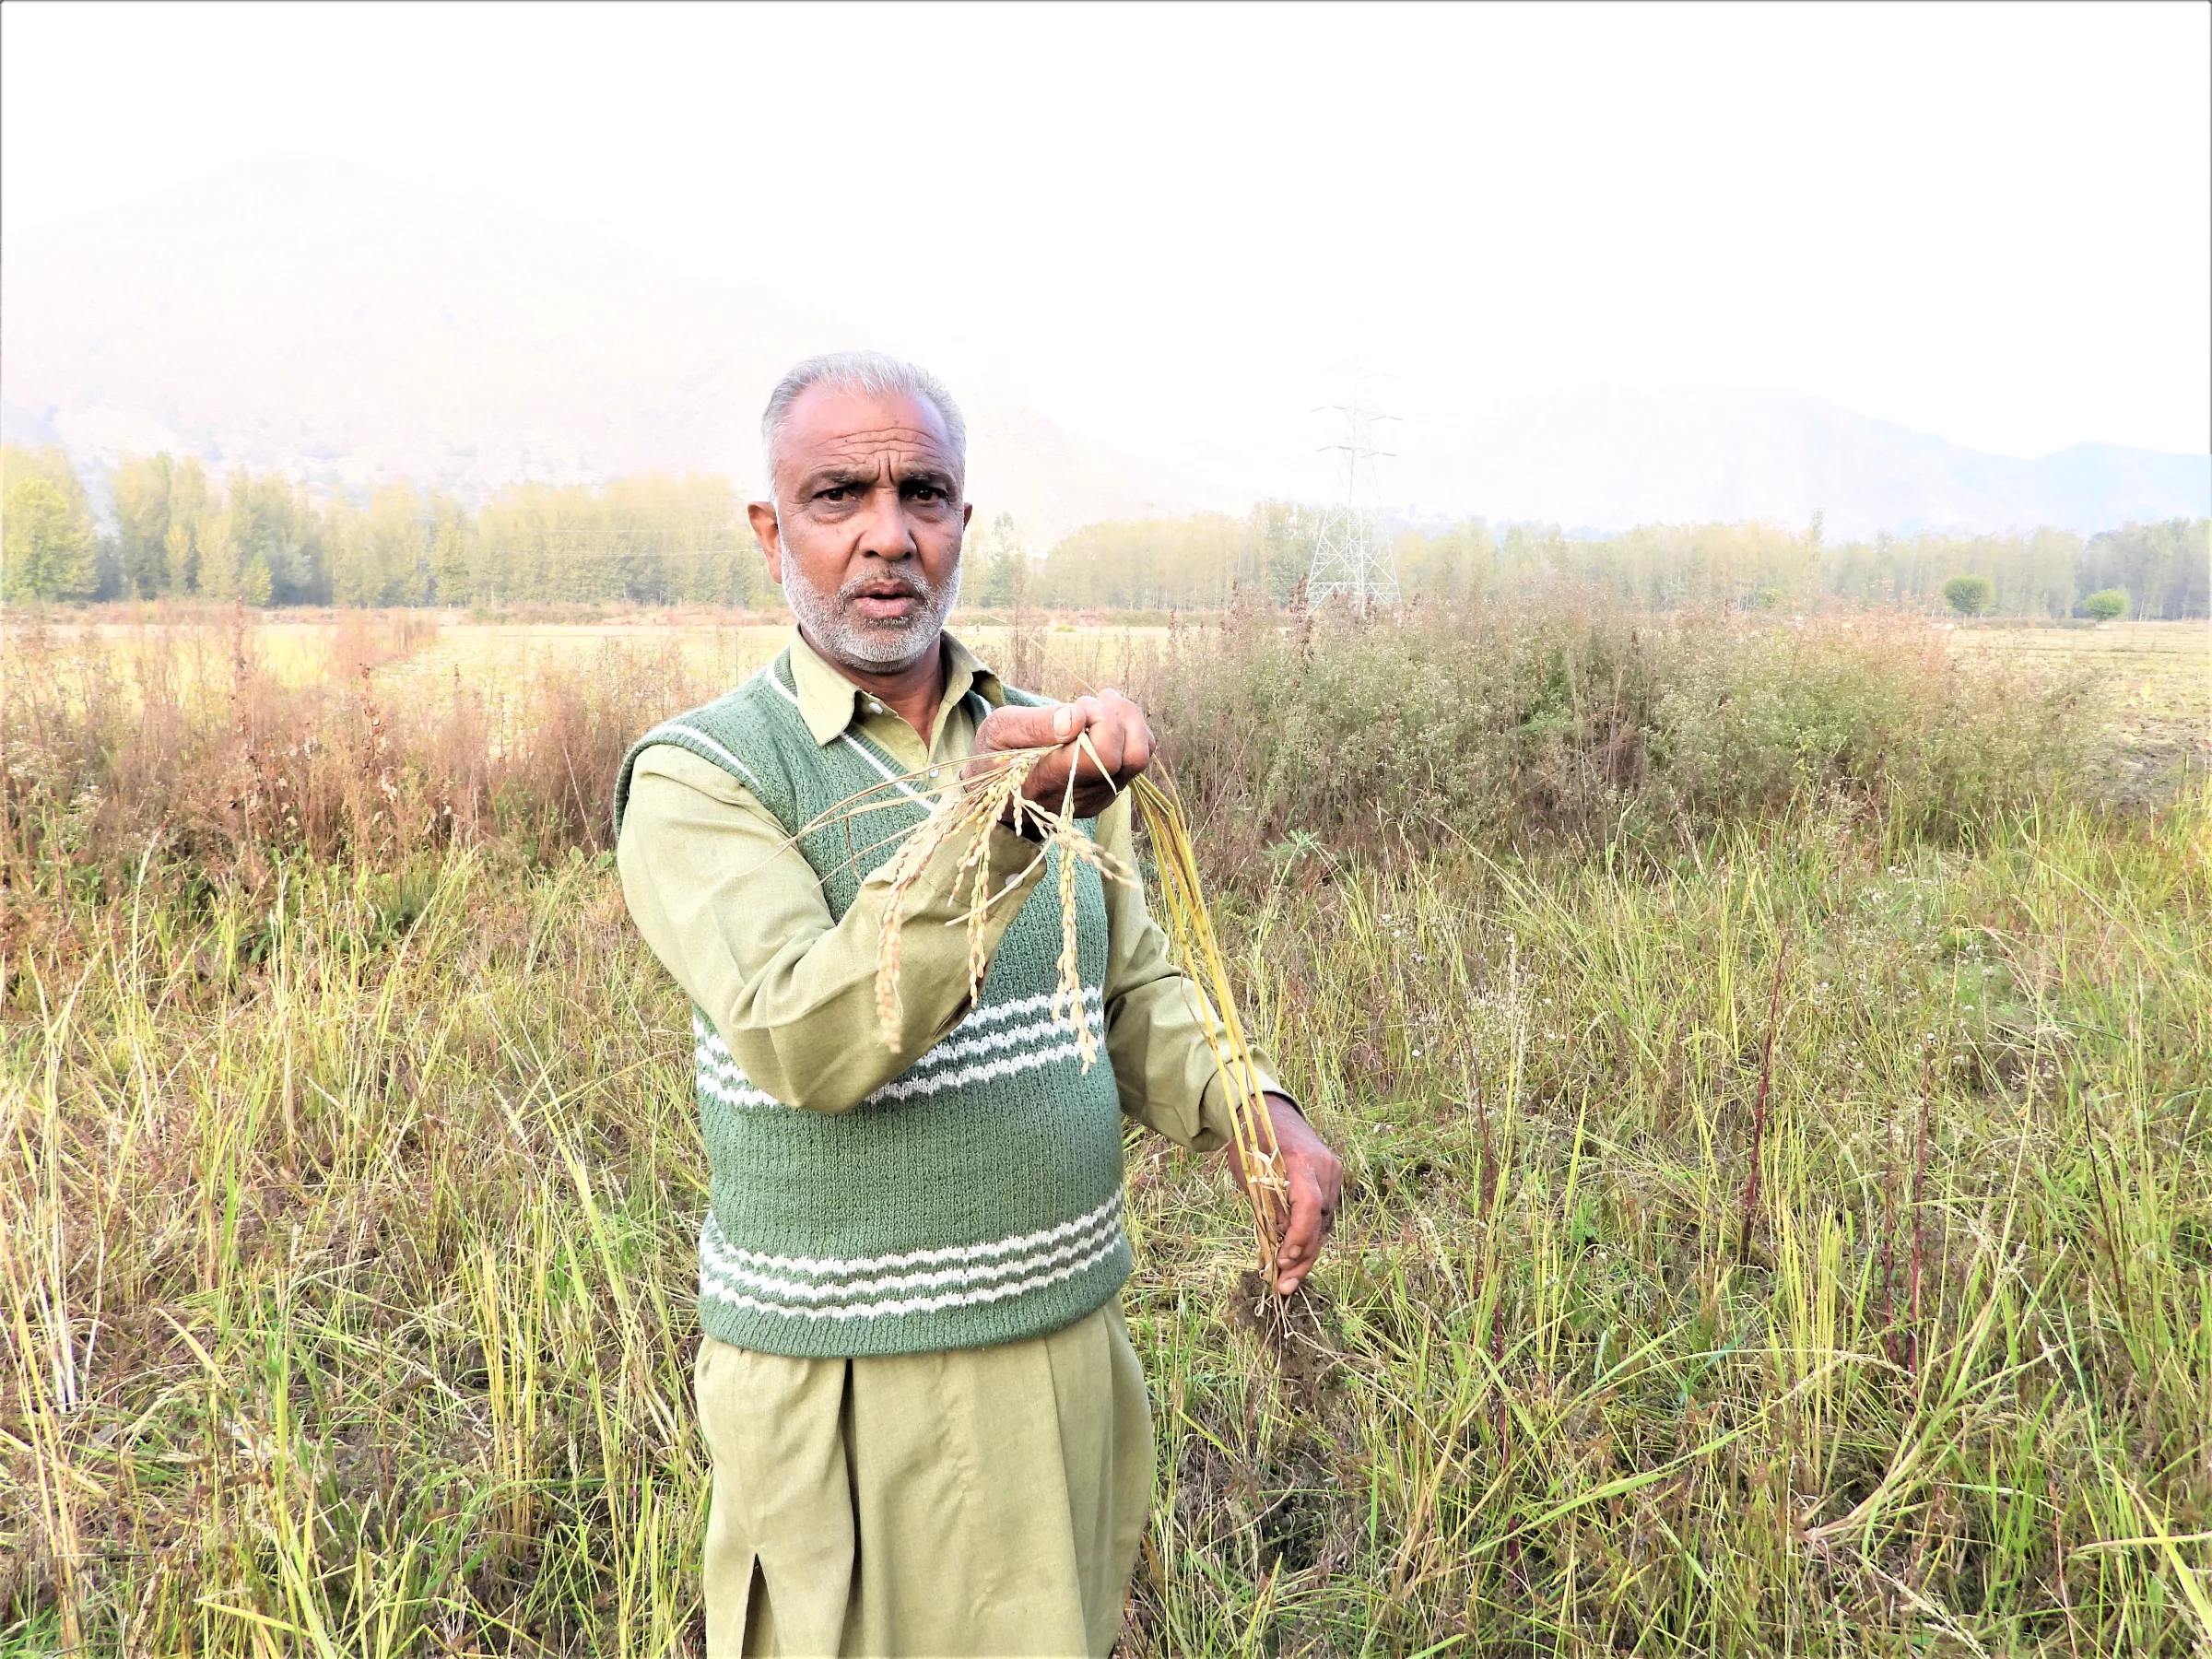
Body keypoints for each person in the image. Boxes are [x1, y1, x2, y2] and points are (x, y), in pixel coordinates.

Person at [614, 351, 1343, 1656]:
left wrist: (1255, 1108)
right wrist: (1003, 823)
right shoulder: (704, 775)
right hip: (849, 1385)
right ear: (771, 532)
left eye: (925, 494)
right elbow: (804, 1033)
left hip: (1062, 1348)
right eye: (839, 495)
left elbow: (1133, 983)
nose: (888, 536)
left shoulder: (1028, 732)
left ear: (962, 522)